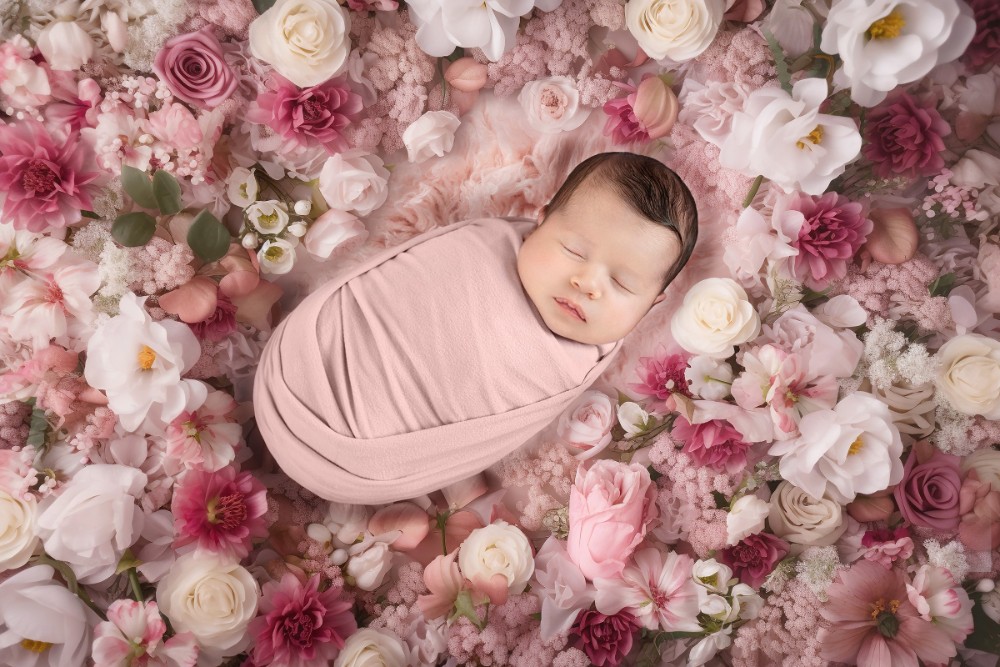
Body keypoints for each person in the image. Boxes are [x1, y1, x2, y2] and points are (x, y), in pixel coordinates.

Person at [252, 151, 698, 504]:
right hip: (299, 367)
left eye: (621, 284)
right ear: (540, 222)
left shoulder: (574, 362)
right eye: (573, 250)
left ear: (652, 306)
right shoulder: (482, 245)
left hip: (355, 464)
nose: (587, 284)